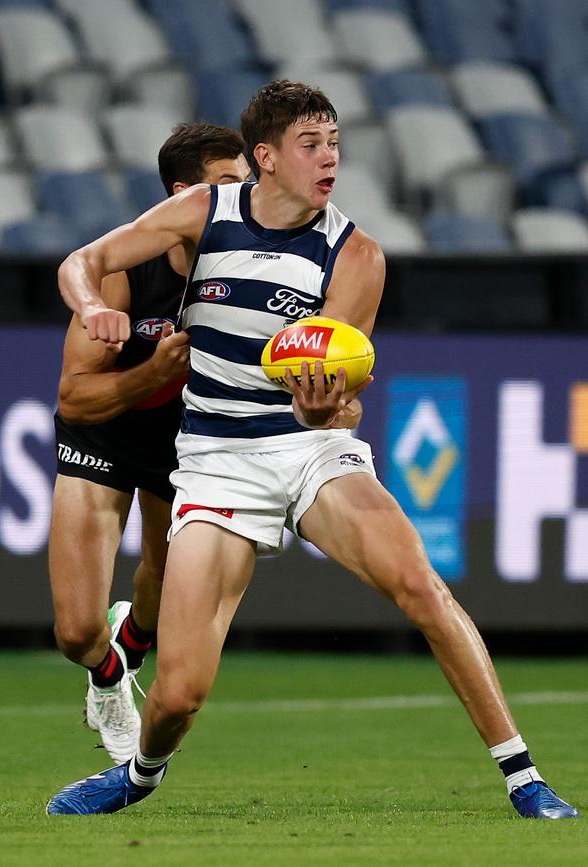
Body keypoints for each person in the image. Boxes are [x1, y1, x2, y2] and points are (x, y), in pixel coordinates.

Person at [46, 81, 578, 820]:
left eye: (333, 142)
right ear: (265, 157)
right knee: (180, 691)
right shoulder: (203, 213)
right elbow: (83, 258)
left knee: (420, 585)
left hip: (307, 449)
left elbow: (338, 386)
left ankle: (524, 776)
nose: (330, 158)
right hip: (216, 461)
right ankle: (140, 773)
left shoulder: (355, 254)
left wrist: (326, 403)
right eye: (311, 144)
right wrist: (96, 305)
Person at [49, 122, 251, 764]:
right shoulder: (128, 270)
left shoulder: (252, 266)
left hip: (187, 441)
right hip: (104, 433)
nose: (241, 199)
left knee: (164, 591)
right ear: (184, 194)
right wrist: (154, 372)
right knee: (77, 631)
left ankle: (130, 644)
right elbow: (74, 397)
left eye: (246, 185)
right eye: (226, 186)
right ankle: (108, 677)